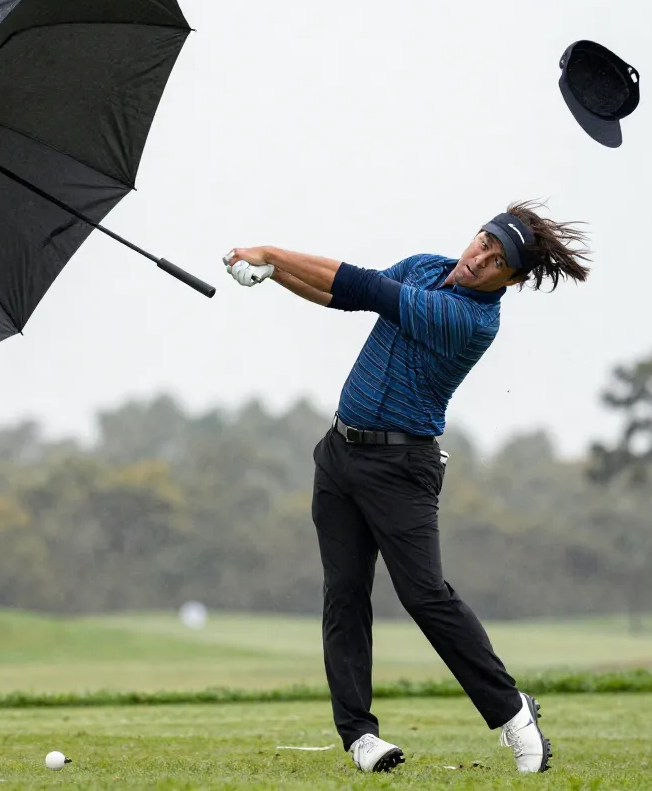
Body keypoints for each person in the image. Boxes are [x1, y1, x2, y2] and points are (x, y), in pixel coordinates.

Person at [224, 200, 591, 774]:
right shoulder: (424, 266)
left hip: (402, 468)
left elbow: (367, 287)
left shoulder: (470, 319)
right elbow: (338, 295)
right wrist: (276, 276)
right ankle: (360, 738)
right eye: (483, 242)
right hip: (340, 454)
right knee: (343, 595)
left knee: (424, 595)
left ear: (512, 280)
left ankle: (513, 713)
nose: (480, 259)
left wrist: (270, 252)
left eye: (497, 261)